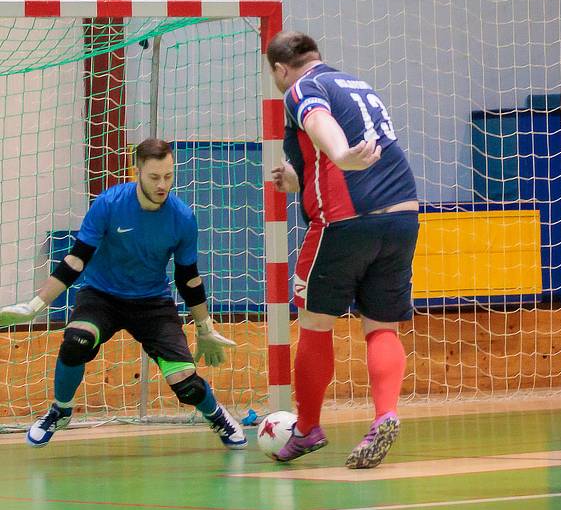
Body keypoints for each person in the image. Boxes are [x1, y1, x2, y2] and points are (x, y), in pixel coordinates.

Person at [0, 139, 247, 449]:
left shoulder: (182, 218)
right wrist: (37, 304)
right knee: (76, 340)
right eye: (154, 177)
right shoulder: (109, 204)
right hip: (101, 296)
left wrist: (204, 327)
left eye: (168, 177)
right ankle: (60, 410)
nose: (162, 185)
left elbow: (188, 278)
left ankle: (216, 415)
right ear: (137, 172)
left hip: (152, 303)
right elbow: (76, 259)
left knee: (186, 386)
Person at [267, 31, 419, 469]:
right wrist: (299, 178)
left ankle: (308, 428)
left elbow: (318, 122)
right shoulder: (358, 84)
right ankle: (385, 415)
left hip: (346, 219)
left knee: (315, 323)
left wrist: (341, 155)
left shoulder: (300, 88)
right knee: (382, 325)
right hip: (403, 215)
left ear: (280, 68)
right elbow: (321, 153)